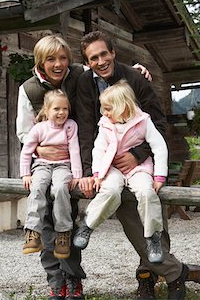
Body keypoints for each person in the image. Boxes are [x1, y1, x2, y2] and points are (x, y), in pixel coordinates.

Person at [16, 34, 152, 299]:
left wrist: (136, 69)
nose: (58, 64)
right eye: (51, 59)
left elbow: (105, 67)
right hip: (43, 164)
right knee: (46, 221)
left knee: (65, 216)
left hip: (73, 163)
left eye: (63, 58)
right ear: (40, 62)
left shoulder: (79, 74)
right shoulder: (29, 89)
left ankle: (74, 280)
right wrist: (40, 147)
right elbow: (24, 133)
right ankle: (56, 283)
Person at [75, 31, 189, 299]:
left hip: (143, 162)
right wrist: (92, 172)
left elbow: (158, 124)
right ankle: (167, 274)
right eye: (94, 58)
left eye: (104, 54)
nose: (101, 61)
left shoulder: (135, 78)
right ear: (87, 62)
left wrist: (137, 154)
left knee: (150, 211)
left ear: (113, 52)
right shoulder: (84, 82)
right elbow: (86, 128)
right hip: (109, 167)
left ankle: (160, 278)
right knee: (131, 221)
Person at [73, 80, 167, 264]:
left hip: (139, 168)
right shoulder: (106, 124)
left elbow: (159, 146)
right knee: (110, 191)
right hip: (112, 168)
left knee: (147, 192)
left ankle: (153, 236)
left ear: (123, 106)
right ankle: (88, 224)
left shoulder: (143, 121)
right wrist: (98, 174)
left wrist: (159, 176)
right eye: (103, 109)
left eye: (108, 108)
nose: (104, 113)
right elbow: (98, 150)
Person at [20, 90, 82, 261]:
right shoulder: (39, 128)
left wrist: (76, 174)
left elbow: (74, 150)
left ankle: (63, 233)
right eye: (56, 109)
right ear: (46, 111)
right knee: (38, 187)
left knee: (61, 189)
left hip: (63, 165)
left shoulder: (71, 126)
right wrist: (25, 174)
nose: (61, 112)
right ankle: (33, 232)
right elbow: (27, 151)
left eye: (65, 108)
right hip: (41, 165)